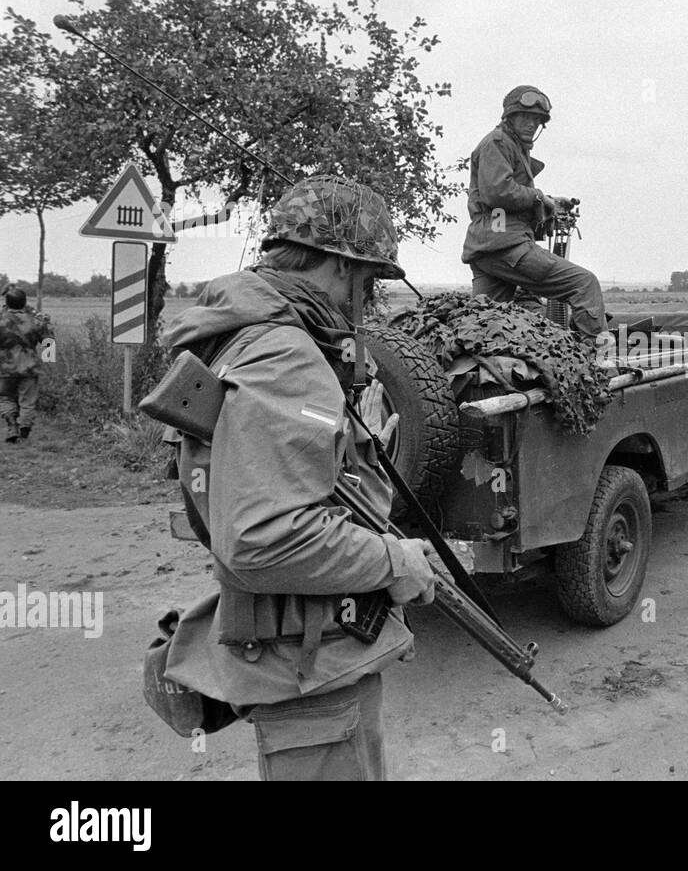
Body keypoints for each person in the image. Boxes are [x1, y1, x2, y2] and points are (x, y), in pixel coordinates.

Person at [161, 175, 438, 780]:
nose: (366, 300)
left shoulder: (247, 337)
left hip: (309, 658)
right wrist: (397, 561)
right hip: (308, 672)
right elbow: (262, 536)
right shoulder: (286, 355)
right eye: (367, 281)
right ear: (340, 266)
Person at [461, 85, 607, 340]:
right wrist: (540, 197)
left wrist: (548, 201)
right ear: (510, 117)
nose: (531, 124)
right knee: (585, 284)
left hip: (487, 248)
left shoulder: (509, 146)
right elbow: (498, 192)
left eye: (537, 121)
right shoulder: (498, 142)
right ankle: (600, 366)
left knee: (482, 327)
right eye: (525, 118)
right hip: (506, 246)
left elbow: (506, 199)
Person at [0, 285, 54, 443]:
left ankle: (11, 426)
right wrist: (48, 361)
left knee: (5, 398)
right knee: (28, 401)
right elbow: (49, 342)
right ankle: (24, 430)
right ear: (24, 303)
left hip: (4, 367)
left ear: (7, 302)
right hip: (30, 367)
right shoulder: (36, 321)